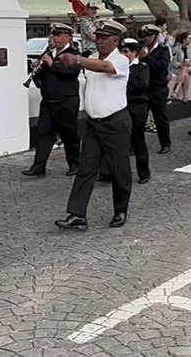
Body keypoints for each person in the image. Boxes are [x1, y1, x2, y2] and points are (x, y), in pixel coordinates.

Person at [54, 19, 132, 230]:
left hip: (115, 122)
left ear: (115, 40)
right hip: (92, 123)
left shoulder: (121, 60)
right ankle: (77, 214)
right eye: (97, 37)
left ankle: (120, 209)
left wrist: (78, 59)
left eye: (104, 38)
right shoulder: (91, 59)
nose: (99, 41)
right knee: (85, 169)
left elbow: (105, 67)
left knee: (119, 169)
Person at [22, 23, 81, 177]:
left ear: (68, 36)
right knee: (44, 134)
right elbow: (41, 76)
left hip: (66, 101)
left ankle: (75, 164)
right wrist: (36, 68)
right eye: (54, 35)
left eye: (58, 35)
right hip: (48, 100)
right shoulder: (48, 52)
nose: (55, 38)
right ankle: (38, 167)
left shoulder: (73, 53)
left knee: (69, 134)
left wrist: (51, 64)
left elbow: (72, 73)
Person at [98, 38, 151, 184]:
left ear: (134, 53)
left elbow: (142, 85)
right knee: (113, 140)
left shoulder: (142, 68)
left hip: (137, 107)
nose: (124, 54)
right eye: (122, 51)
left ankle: (144, 172)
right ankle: (107, 172)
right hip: (120, 106)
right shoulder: (117, 66)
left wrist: (124, 77)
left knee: (137, 140)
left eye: (127, 51)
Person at [139, 24, 172, 154]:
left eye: (149, 36)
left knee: (160, 118)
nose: (146, 38)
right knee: (139, 119)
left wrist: (147, 57)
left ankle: (165, 143)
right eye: (145, 36)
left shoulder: (163, 50)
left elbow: (161, 66)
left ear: (156, 36)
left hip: (158, 88)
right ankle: (136, 145)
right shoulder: (141, 49)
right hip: (143, 88)